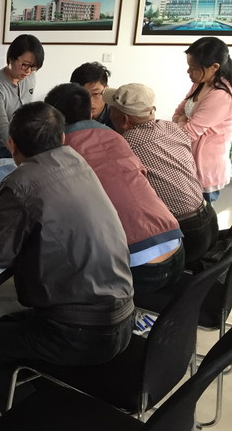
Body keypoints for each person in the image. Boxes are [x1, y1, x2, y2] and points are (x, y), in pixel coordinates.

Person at [0, 102, 133, 413]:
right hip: (122, 317)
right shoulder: (78, 162)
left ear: (12, 145)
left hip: (78, 333)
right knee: (7, 324)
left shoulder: (20, 182)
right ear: (62, 138)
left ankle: (30, 418)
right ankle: (40, 393)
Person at [45, 83, 184, 296]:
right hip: (176, 247)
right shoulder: (117, 137)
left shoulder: (63, 150)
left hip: (138, 266)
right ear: (90, 111)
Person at [108, 83, 218, 268]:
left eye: (111, 108)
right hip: (208, 218)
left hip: (182, 233)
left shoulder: (125, 146)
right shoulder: (173, 128)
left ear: (124, 119)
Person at [173, 36, 232, 202]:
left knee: (202, 214)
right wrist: (182, 119)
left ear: (215, 67)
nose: (188, 72)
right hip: (190, 160)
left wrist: (182, 120)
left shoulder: (221, 95)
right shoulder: (199, 83)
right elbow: (177, 112)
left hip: (205, 167)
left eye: (193, 68)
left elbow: (187, 133)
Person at [0, 34, 44, 162]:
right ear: (11, 59)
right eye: (24, 65)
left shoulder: (30, 77)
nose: (28, 71)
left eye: (33, 67)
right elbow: (2, 126)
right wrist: (21, 156)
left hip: (19, 144)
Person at [70, 61, 113, 128]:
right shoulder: (64, 115)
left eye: (95, 94)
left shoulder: (117, 118)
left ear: (106, 91)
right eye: (82, 95)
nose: (89, 102)